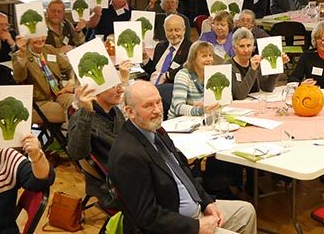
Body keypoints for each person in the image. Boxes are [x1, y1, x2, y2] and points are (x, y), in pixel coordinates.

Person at [108, 81, 257, 233]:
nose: (157, 110)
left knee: (246, 211)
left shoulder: (156, 131)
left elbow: (184, 172)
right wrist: (196, 226)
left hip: (194, 210)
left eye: (159, 102)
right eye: (148, 106)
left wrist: (207, 203)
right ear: (130, 111)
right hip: (176, 226)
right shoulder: (128, 155)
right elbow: (147, 217)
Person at [66, 82, 126, 209]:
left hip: (126, 166)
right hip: (115, 182)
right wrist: (87, 112)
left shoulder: (113, 110)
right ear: (96, 91)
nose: (121, 90)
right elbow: (76, 153)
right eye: (114, 86)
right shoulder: (82, 118)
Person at [12, 35, 75, 125]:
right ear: (27, 38)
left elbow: (69, 69)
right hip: (38, 102)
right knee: (68, 110)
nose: (40, 39)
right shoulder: (20, 55)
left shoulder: (49, 49)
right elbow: (19, 78)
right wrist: (22, 54)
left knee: (78, 102)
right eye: (35, 36)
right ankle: (70, 137)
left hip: (58, 93)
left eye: (42, 35)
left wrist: (71, 82)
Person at [229, 28, 286, 100]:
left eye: (249, 45)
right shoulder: (229, 66)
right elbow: (240, 95)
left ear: (253, 47)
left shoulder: (255, 61)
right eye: (242, 46)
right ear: (234, 48)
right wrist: (252, 70)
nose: (246, 50)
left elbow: (267, 88)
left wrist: (277, 69)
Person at [170, 41, 221, 119]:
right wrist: (200, 110)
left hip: (202, 119)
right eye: (204, 56)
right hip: (179, 123)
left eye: (210, 55)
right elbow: (178, 107)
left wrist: (207, 105)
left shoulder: (212, 74)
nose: (209, 59)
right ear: (193, 58)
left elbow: (227, 98)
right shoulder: (183, 75)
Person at [144, 14, 192, 85]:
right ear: (164, 30)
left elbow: (188, 68)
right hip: (151, 86)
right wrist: (145, 58)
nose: (173, 34)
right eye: (169, 30)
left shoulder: (191, 48)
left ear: (184, 30)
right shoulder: (160, 46)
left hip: (171, 89)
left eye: (177, 30)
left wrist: (167, 75)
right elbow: (152, 70)